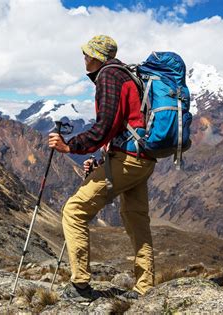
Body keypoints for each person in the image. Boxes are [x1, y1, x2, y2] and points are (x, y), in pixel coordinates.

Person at [48, 35, 156, 302]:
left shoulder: (109, 76)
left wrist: (69, 146)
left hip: (129, 159)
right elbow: (125, 124)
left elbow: (104, 126)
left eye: (87, 54)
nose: (84, 58)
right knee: (136, 218)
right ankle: (145, 286)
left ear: (97, 56)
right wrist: (102, 160)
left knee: (74, 210)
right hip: (144, 158)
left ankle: (81, 286)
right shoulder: (127, 75)